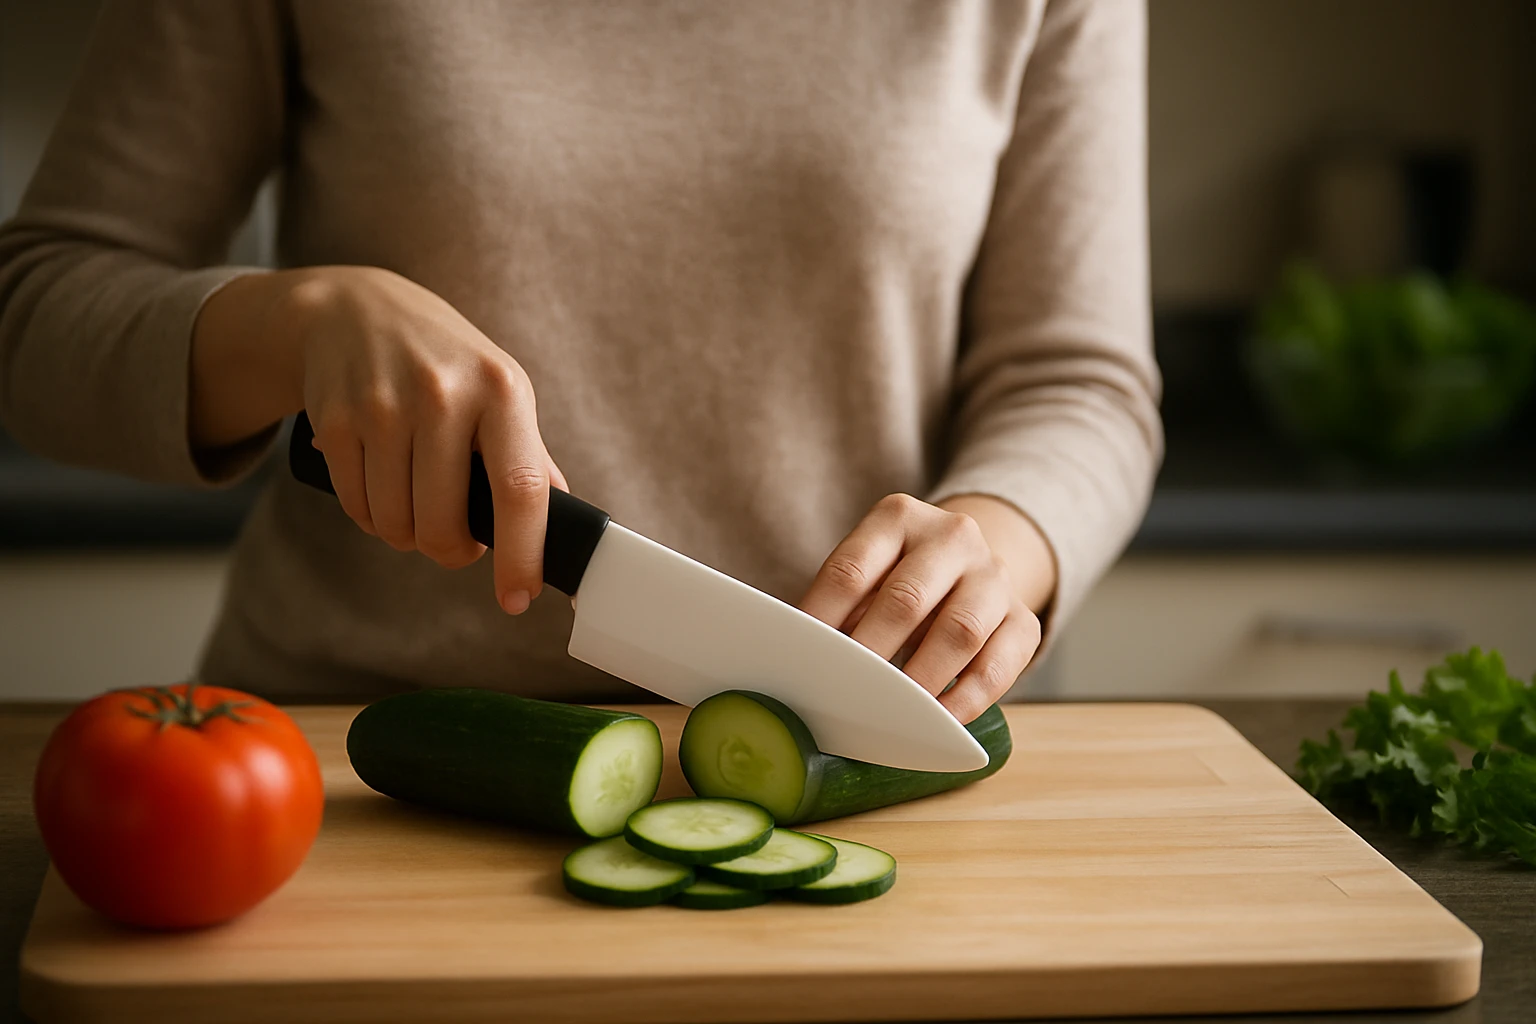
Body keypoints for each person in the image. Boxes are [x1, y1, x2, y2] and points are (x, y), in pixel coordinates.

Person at [0, 0, 1161, 724]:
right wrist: (295, 324)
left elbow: (1082, 386)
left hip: (850, 764)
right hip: (352, 763)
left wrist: (996, 541)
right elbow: (34, 309)